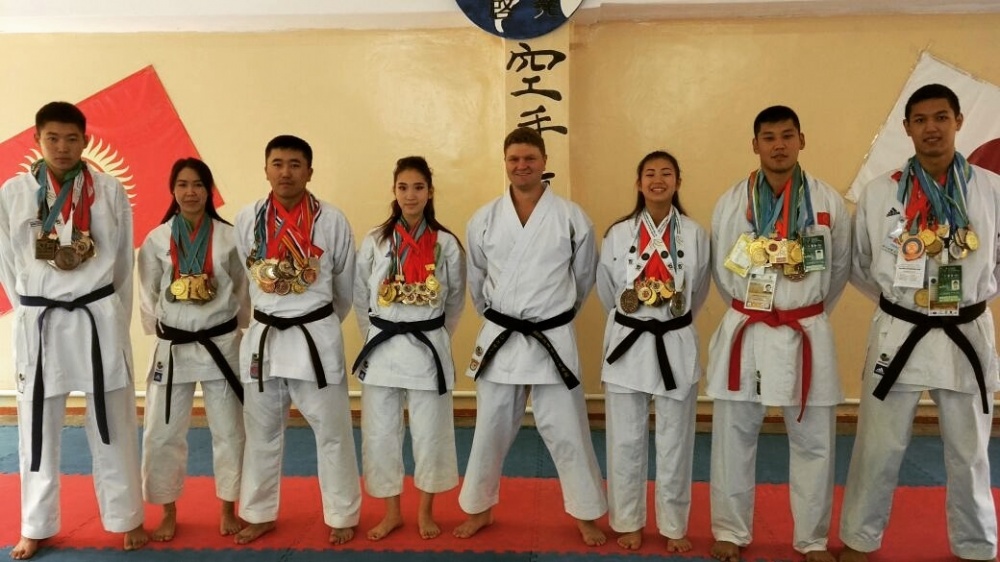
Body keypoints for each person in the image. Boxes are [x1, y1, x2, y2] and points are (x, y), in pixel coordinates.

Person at [841, 84, 1000, 562]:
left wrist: (971, 297)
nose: (932, 128)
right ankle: (860, 539)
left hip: (965, 330)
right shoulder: (880, 192)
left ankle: (975, 545)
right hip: (900, 331)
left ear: (958, 122)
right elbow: (861, 262)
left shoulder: (990, 188)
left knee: (970, 450)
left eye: (941, 117)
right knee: (878, 445)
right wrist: (902, 303)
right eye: (921, 119)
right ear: (907, 127)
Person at [0, 101, 148, 559]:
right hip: (41, 321)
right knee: (37, 426)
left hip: (96, 316)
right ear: (37, 140)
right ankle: (36, 524)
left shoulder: (109, 190)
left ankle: (126, 517)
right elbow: (7, 264)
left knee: (114, 419)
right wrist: (29, 308)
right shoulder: (13, 193)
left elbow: (122, 262)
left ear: (85, 140)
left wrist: (113, 317)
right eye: (52, 138)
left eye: (71, 138)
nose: (62, 147)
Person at [706, 106, 851, 562]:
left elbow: (840, 270)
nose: (779, 145)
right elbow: (721, 271)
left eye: (787, 135)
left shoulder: (827, 202)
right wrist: (757, 306)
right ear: (755, 145)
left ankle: (811, 539)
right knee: (733, 437)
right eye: (768, 137)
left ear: (802, 140)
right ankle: (730, 530)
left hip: (806, 330)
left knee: (814, 442)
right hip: (747, 330)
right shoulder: (732, 202)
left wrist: (804, 311)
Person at [453, 127, 608, 546]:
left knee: (569, 430)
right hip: (501, 336)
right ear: (505, 163)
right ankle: (479, 509)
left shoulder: (572, 218)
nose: (522, 166)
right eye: (514, 159)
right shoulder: (484, 219)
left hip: (551, 336)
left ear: (543, 162)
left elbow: (583, 278)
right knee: (490, 428)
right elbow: (477, 280)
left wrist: (556, 316)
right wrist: (498, 317)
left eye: (529, 158)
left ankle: (586, 513)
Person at [233, 135, 361, 545]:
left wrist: (318, 319)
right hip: (265, 337)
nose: (285, 172)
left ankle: (341, 514)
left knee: (333, 431)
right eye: (277, 163)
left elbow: (345, 287)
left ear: (309, 171)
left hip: (314, 338)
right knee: (261, 431)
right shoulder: (247, 218)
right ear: (265, 169)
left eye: (294, 164)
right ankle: (259, 513)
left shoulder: (332, 220)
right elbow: (244, 281)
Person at [597, 150, 710, 552]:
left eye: (666, 173)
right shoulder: (618, 233)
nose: (658, 180)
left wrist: (669, 318)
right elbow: (607, 291)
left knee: (676, 441)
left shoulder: (695, 234)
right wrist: (636, 317)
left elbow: (698, 291)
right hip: (628, 342)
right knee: (625, 440)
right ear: (638, 182)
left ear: (678, 182)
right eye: (650, 173)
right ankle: (628, 521)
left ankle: (674, 525)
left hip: (674, 341)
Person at [352, 156, 466, 541]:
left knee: (431, 434)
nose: (410, 195)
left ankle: (425, 511)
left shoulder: (446, 243)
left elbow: (455, 301)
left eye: (418, 187)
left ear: (430, 192)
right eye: (403, 187)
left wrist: (435, 335)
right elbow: (360, 296)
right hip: (383, 348)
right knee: (381, 434)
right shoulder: (376, 241)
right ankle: (391, 513)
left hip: (427, 348)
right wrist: (375, 334)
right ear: (394, 191)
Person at [138, 158, 249, 541]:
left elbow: (242, 290)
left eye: (198, 184)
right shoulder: (156, 239)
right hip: (174, 346)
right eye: (183, 185)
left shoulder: (229, 237)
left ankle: (228, 507)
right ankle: (168, 510)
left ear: (209, 190)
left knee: (230, 430)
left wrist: (237, 327)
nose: (190, 192)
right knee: (162, 431)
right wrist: (162, 331)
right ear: (173, 190)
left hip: (221, 343)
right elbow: (148, 294)